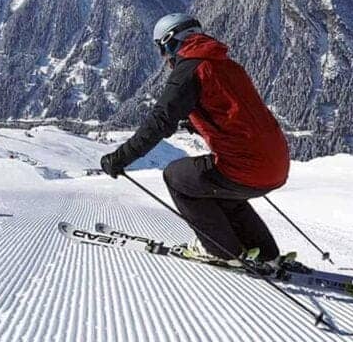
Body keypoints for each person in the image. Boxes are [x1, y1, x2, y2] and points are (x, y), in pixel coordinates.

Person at [100, 13, 289, 263]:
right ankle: (266, 254)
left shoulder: (189, 69)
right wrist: (198, 123)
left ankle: (223, 251)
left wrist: (120, 158)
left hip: (247, 169)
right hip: (277, 164)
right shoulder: (226, 64)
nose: (164, 58)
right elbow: (237, 115)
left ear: (169, 41)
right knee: (216, 188)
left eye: (161, 49)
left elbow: (159, 122)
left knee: (176, 176)